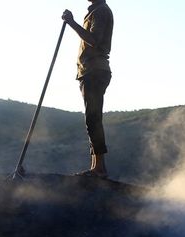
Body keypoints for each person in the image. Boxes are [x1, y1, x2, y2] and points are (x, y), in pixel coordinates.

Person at [62, 0, 114, 178]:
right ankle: (96, 166)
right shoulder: (96, 11)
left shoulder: (100, 11)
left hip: (95, 71)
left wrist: (71, 23)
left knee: (93, 118)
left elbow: (93, 40)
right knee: (92, 118)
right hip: (90, 70)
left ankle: (99, 168)